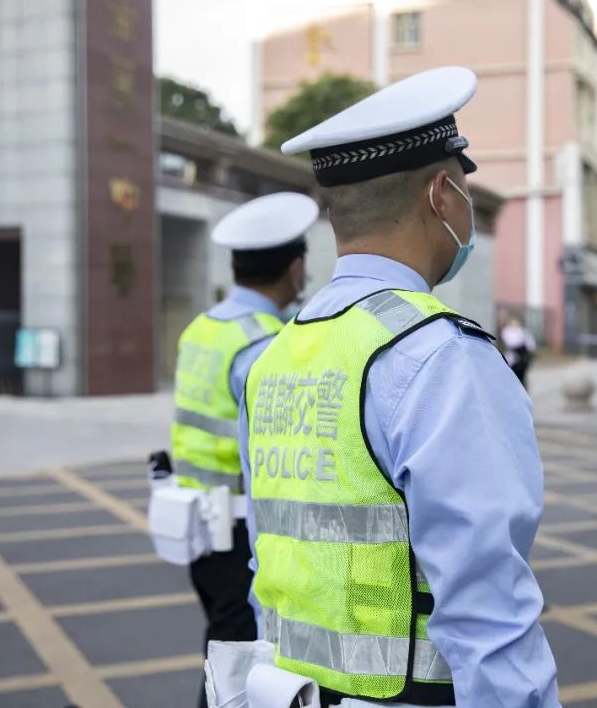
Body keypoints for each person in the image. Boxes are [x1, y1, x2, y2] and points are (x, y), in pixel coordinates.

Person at [230, 67, 559, 708]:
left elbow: (264, 566)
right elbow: (488, 611)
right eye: (464, 187)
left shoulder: (277, 355)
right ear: (442, 195)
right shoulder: (437, 355)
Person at [168, 192, 319, 708]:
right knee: (241, 662)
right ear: (295, 268)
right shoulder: (266, 343)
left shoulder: (203, 328)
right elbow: (276, 457)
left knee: (221, 649)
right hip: (238, 533)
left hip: (197, 528)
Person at [500, 315, 535, 386]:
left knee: (522, 377)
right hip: (513, 358)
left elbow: (531, 345)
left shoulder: (523, 331)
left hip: (522, 358)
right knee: (513, 375)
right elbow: (509, 342)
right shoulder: (507, 331)